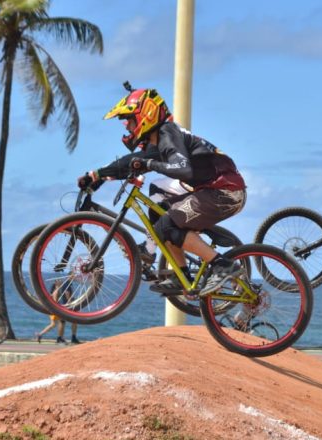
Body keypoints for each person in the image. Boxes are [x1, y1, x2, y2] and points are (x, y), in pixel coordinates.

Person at [77, 85, 246, 295]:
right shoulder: (160, 140)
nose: (127, 128)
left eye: (129, 121)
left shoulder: (168, 133)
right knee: (160, 209)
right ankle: (180, 274)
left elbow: (182, 169)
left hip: (224, 193)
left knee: (166, 224)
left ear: (145, 115)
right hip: (214, 191)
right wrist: (98, 175)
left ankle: (223, 266)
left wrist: (149, 165)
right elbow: (129, 162)